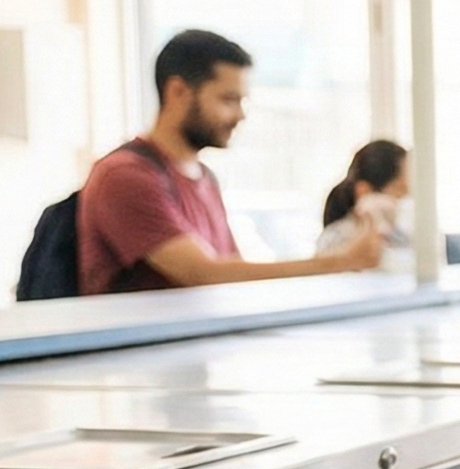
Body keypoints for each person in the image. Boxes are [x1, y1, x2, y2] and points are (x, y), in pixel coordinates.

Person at [78, 28, 382, 294]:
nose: (240, 115)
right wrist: (339, 262)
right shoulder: (125, 176)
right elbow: (204, 274)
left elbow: (230, 271)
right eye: (228, 100)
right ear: (178, 91)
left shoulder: (203, 177)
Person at [316, 140, 411, 271]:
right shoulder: (336, 239)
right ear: (364, 191)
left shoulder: (401, 237)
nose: (405, 202)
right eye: (399, 193)